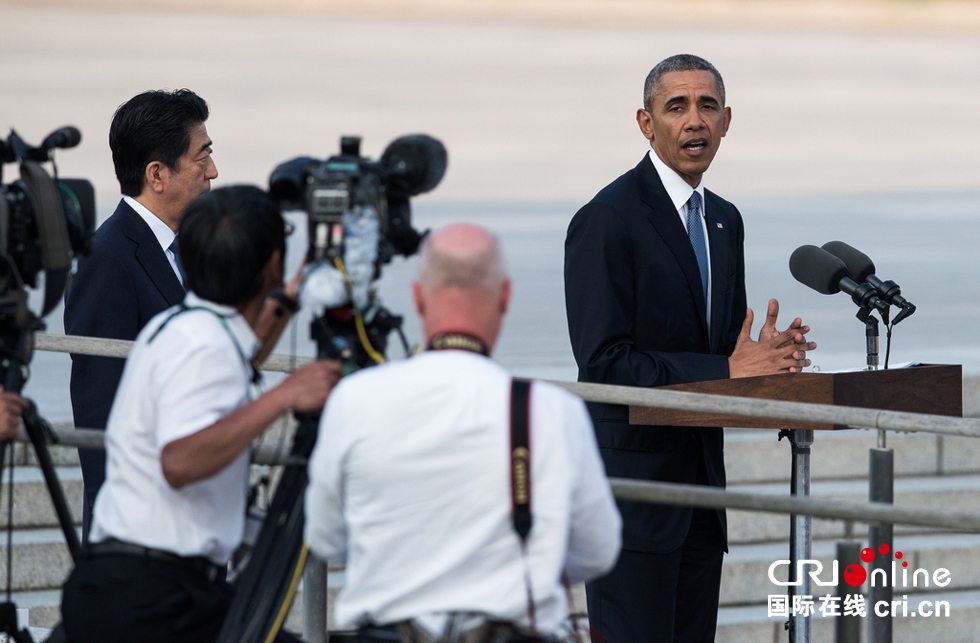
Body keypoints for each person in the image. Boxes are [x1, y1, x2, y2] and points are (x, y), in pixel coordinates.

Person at [564, 54, 817, 642]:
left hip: (702, 499)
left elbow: (725, 351)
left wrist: (766, 357)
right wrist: (729, 366)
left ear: (727, 121)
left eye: (707, 106)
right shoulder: (607, 219)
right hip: (633, 500)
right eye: (675, 107)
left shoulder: (724, 220)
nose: (693, 121)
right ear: (645, 123)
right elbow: (603, 362)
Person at [305, 223, 622, 643]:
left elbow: (326, 539)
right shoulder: (550, 411)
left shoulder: (354, 399)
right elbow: (597, 550)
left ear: (418, 299)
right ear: (505, 298)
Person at [60, 185, 341, 643]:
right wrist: (287, 394)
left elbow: (241, 355)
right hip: (154, 601)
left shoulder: (188, 325)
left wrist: (288, 299)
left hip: (122, 584)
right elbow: (179, 461)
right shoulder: (202, 345)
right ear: (271, 262)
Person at [64, 88, 218, 538]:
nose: (213, 171)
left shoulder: (186, 246)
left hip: (192, 521)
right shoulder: (107, 259)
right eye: (201, 157)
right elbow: (100, 415)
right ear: (157, 174)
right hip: (142, 534)